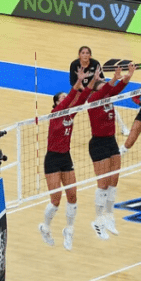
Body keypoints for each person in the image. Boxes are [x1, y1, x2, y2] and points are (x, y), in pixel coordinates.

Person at [86, 62, 137, 239]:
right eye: (103, 88)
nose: (107, 91)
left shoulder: (108, 97)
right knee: (103, 184)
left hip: (111, 141)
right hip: (98, 144)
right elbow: (106, 89)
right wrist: (114, 78)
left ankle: (109, 216)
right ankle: (98, 220)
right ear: (95, 91)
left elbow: (117, 88)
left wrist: (128, 76)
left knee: (113, 181)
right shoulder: (92, 100)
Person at [38, 81, 91, 250]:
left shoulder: (70, 114)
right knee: (56, 200)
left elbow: (81, 98)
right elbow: (71, 99)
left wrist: (88, 83)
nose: (66, 98)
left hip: (66, 158)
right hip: (52, 159)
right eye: (62, 97)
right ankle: (45, 227)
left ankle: (69, 230)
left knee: (73, 196)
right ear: (56, 103)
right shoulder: (55, 113)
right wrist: (76, 85)